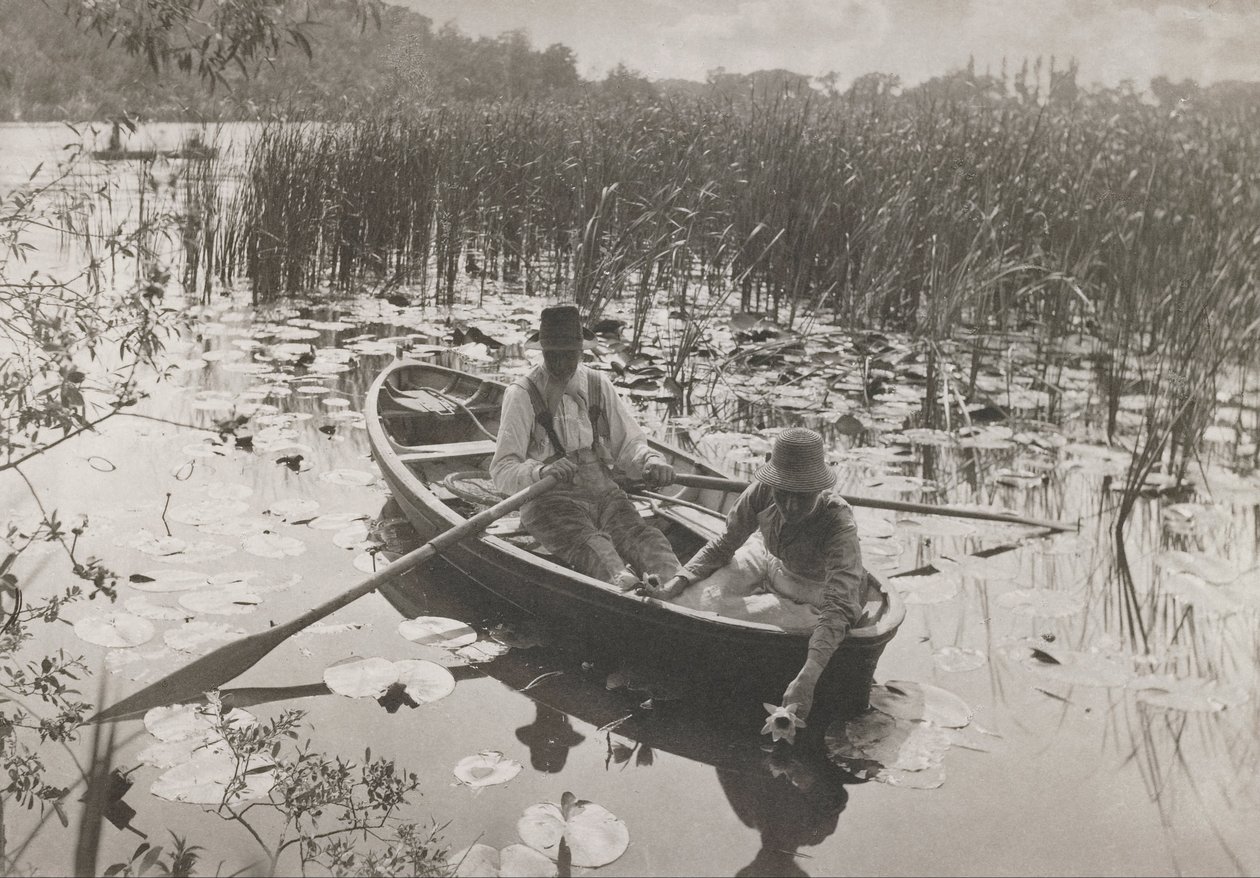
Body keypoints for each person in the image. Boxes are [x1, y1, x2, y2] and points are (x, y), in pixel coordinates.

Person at [650, 427, 864, 726]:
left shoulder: (838, 523)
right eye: (782, 493)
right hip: (766, 556)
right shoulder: (763, 489)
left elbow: (840, 605)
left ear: (818, 488)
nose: (789, 506)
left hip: (810, 591)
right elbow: (724, 544)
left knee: (726, 617)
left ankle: (776, 614)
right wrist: (677, 582)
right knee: (691, 601)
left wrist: (807, 677)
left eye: (801, 497)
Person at [490, 304, 683, 590]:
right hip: (550, 501)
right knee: (595, 548)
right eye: (552, 354)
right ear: (542, 351)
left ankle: (679, 590)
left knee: (646, 539)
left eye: (569, 354)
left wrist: (650, 461)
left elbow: (629, 443)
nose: (560, 363)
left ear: (582, 351)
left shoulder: (597, 383)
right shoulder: (522, 394)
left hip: (604, 494)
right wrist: (542, 471)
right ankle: (627, 592)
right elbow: (502, 470)